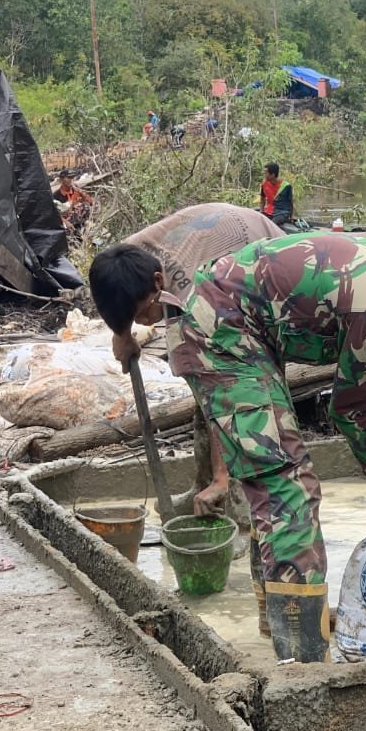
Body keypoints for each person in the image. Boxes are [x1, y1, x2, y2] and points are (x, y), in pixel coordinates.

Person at [97, 231, 366, 662]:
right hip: (218, 336)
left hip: (244, 326)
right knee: (288, 491)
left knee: (280, 484)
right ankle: (302, 660)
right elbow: (349, 408)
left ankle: (276, 616)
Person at [90, 204, 283, 518]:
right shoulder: (123, 265)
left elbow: (221, 390)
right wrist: (122, 333)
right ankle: (203, 484)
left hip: (257, 255)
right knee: (198, 377)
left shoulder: (201, 293)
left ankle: (234, 495)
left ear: (158, 282)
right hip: (209, 235)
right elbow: (118, 301)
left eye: (141, 315)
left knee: (239, 391)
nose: (143, 322)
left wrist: (222, 476)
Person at [258, 162, 293, 226]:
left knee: (272, 224)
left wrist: (291, 217)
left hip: (282, 213)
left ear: (273, 174)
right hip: (268, 211)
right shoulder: (264, 184)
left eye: (266, 173)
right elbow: (262, 199)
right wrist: (261, 212)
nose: (264, 174)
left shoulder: (286, 186)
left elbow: (290, 202)